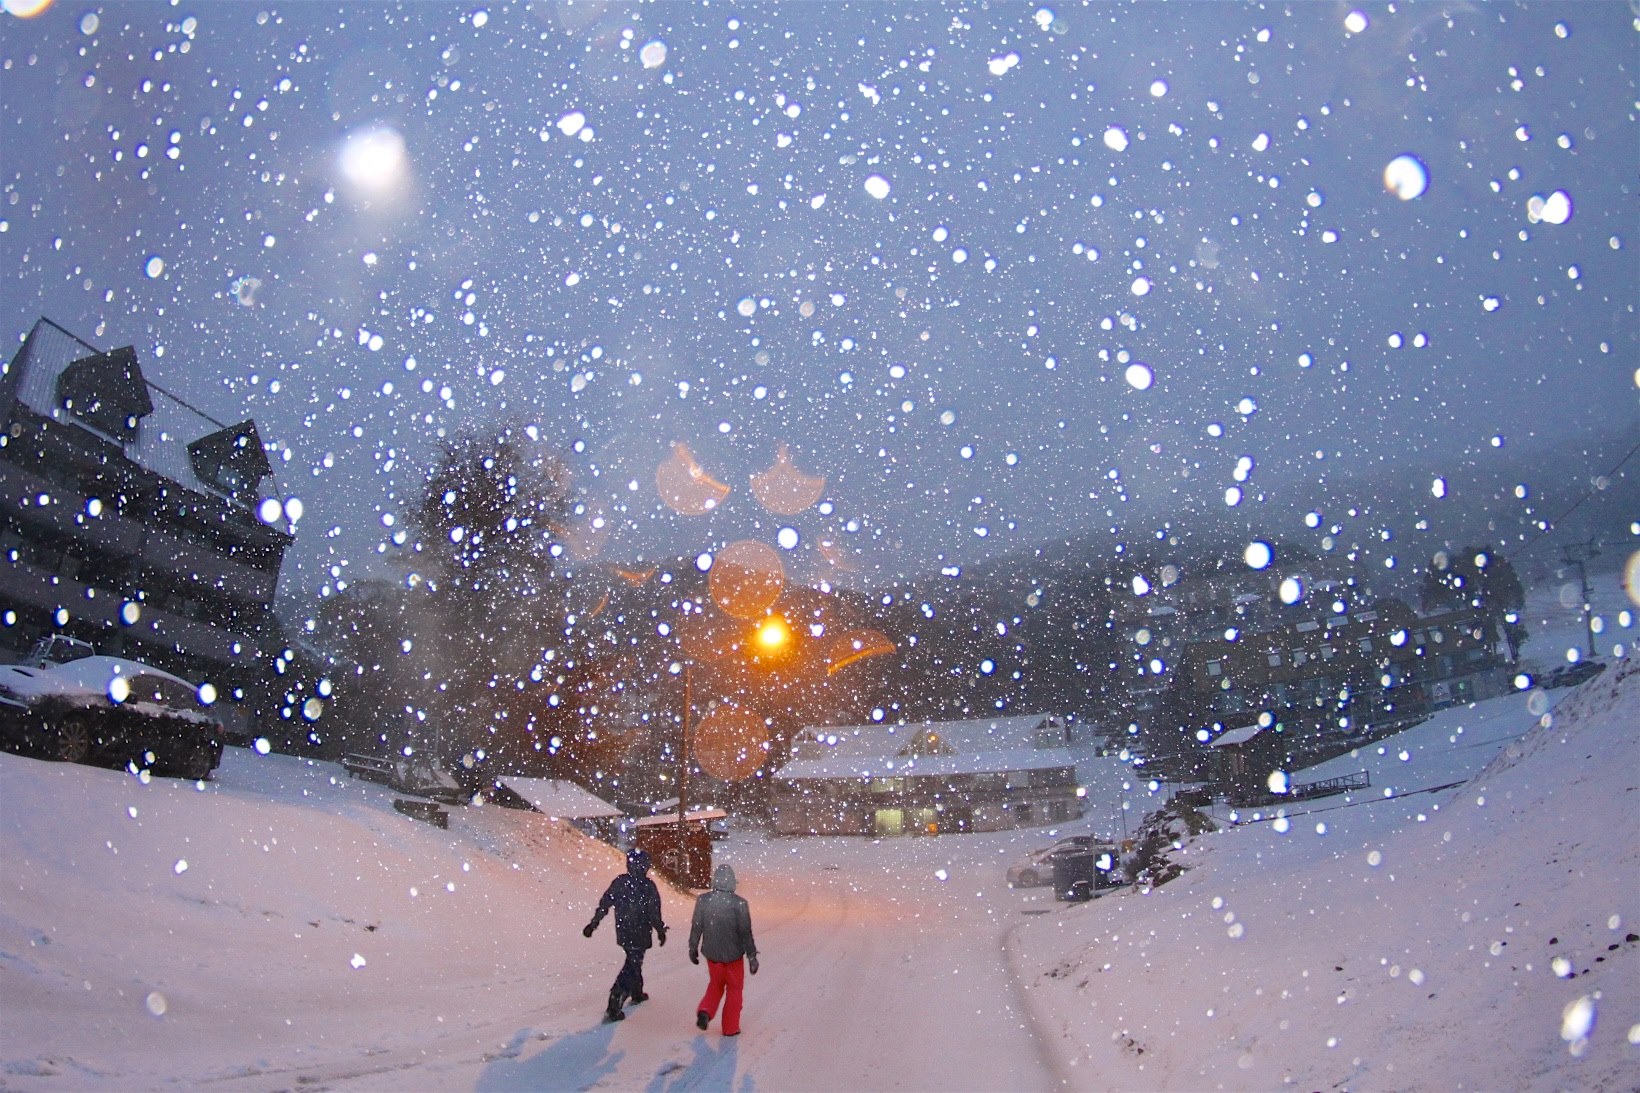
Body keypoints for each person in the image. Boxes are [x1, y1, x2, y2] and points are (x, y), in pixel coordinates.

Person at [583, 847, 668, 1023]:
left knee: (634, 959)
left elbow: (604, 904)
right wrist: (660, 930)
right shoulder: (647, 886)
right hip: (640, 932)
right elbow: (654, 913)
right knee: (632, 963)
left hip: (624, 931)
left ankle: (637, 992)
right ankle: (615, 1001)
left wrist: (594, 923)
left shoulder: (620, 882)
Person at [688, 863, 759, 1037]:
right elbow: (745, 932)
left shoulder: (703, 900)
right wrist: (751, 956)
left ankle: (705, 1011)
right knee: (734, 990)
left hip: (712, 954)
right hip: (733, 956)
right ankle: (730, 1027)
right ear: (732, 882)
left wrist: (693, 947)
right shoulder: (739, 904)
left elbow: (697, 926)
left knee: (715, 984)